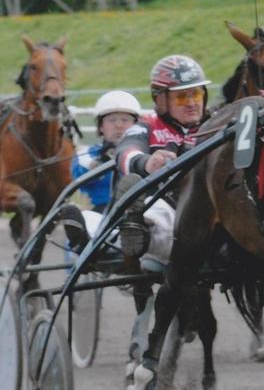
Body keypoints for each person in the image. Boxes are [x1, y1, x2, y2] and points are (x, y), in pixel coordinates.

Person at [114, 54, 212, 262]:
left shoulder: (216, 125)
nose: (192, 103)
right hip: (166, 204)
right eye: (182, 97)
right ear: (160, 100)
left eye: (196, 94)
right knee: (159, 213)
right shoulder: (146, 126)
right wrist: (146, 163)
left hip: (209, 206)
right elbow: (125, 153)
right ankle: (137, 231)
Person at [58, 90, 142, 251]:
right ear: (101, 127)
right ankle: (82, 245)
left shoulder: (146, 153)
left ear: (136, 125)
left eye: (125, 120)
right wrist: (101, 161)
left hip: (140, 211)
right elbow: (81, 174)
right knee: (83, 218)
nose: (118, 125)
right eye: (112, 120)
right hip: (102, 213)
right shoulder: (88, 153)